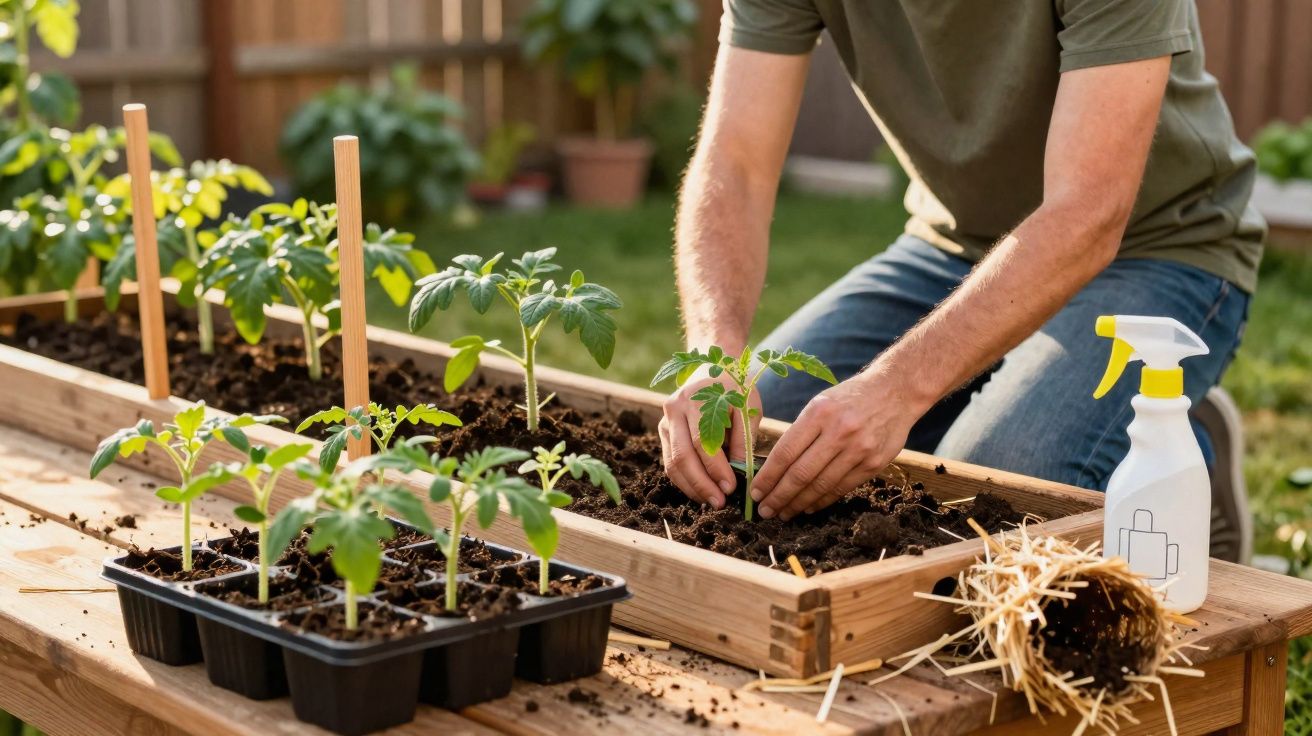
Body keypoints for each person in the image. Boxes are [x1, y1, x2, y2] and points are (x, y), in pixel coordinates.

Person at [658, 0, 1261, 553]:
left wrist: (898, 389)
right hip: (952, 246)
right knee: (760, 445)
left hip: (1160, 244)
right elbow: (734, 164)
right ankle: (1025, 393)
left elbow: (1089, 212)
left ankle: (1168, 447)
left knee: (996, 483)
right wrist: (715, 355)